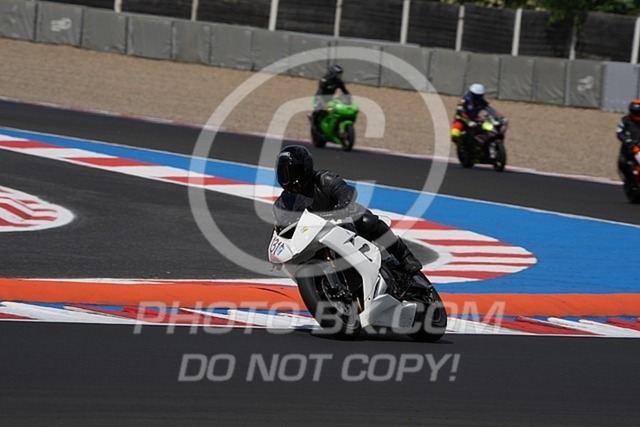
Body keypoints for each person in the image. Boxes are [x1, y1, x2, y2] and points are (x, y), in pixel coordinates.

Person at [272, 145, 422, 277]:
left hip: (342, 223)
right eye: (283, 173)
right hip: (312, 238)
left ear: (305, 168)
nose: (287, 178)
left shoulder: (323, 179)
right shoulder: (283, 203)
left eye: (292, 172)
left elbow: (344, 190)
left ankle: (405, 256)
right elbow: (280, 228)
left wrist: (343, 206)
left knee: (367, 221)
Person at [310, 64, 351, 129]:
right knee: (320, 111)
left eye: (340, 75)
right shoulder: (324, 80)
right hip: (320, 98)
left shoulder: (339, 82)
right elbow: (320, 92)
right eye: (338, 75)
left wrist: (349, 99)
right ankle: (313, 119)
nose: (339, 76)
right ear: (333, 74)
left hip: (330, 99)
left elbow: (345, 91)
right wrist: (321, 103)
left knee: (337, 110)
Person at [616, 99, 640, 187]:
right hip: (629, 148)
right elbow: (619, 132)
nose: (637, 114)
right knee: (622, 163)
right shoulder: (625, 120)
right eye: (635, 112)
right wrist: (628, 141)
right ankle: (629, 182)